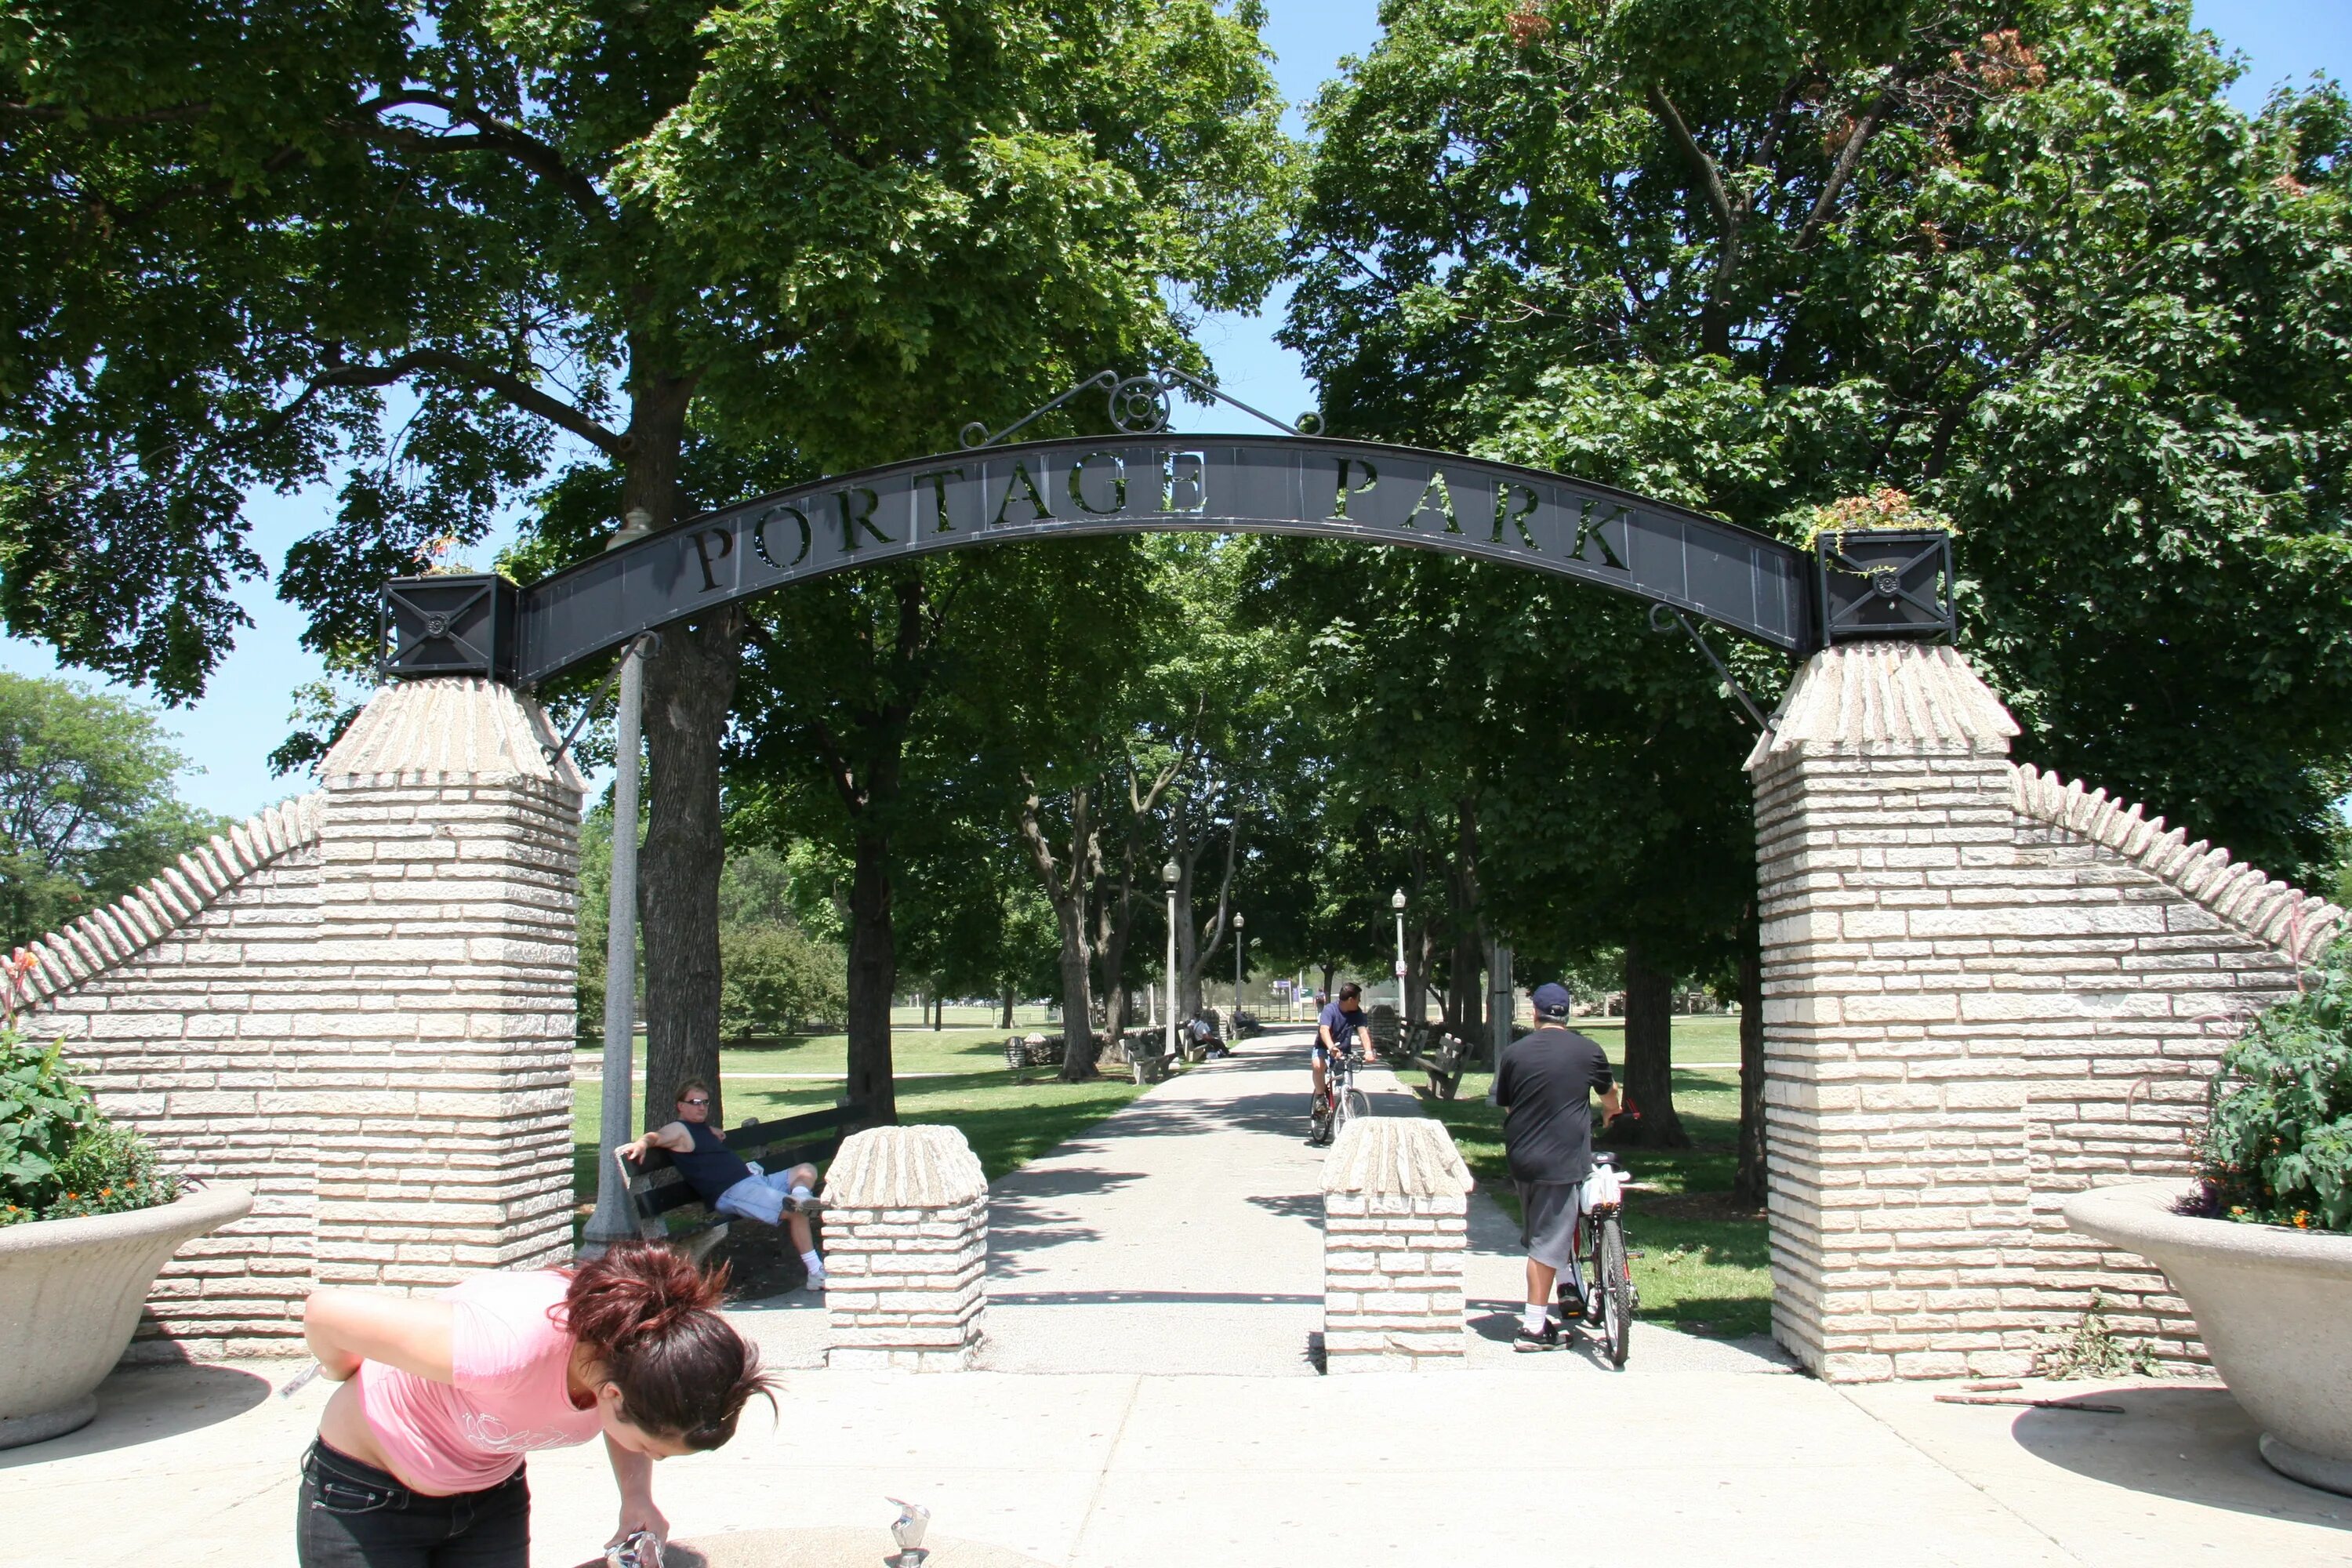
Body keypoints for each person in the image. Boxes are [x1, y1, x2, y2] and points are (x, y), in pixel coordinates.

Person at [297, 1243, 773, 1566]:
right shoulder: (503, 1348)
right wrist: (341, 1371)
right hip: (367, 1500)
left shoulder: (631, 1358)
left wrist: (636, 1496)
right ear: (615, 1396)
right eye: (654, 1450)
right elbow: (325, 1312)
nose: (652, 1457)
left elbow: (629, 1418)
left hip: (489, 1499)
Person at [1494, 982, 1621, 1352]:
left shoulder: (1515, 1053)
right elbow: (1609, 1093)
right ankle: (1533, 1329)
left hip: (1522, 1157)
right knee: (1545, 1244)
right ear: (1566, 1012)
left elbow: (1507, 1104)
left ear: (1535, 1013)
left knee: (1540, 1233)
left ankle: (1567, 1284)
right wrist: (1611, 1114)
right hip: (1562, 1158)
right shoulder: (1588, 1050)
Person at [617, 1079, 826, 1286]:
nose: (701, 1107)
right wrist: (642, 1143)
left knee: (806, 1169)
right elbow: (657, 1136)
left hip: (753, 1181)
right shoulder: (678, 1130)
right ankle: (816, 1272)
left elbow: (702, 1137)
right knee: (797, 1211)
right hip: (734, 1191)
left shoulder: (699, 1128)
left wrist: (711, 1130)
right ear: (680, 1106)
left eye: (705, 1102)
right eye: (695, 1102)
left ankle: (800, 1195)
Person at [1309, 981, 1375, 1142]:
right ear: (1351, 999)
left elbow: (1363, 1032)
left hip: (1343, 1051)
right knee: (1318, 1065)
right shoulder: (1329, 1010)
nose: (1360, 1002)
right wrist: (1331, 1047)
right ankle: (1320, 1097)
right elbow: (1324, 1030)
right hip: (1324, 1047)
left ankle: (1347, 1121)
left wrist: (1368, 1051)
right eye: (1358, 998)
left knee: (1345, 1089)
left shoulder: (1357, 1013)